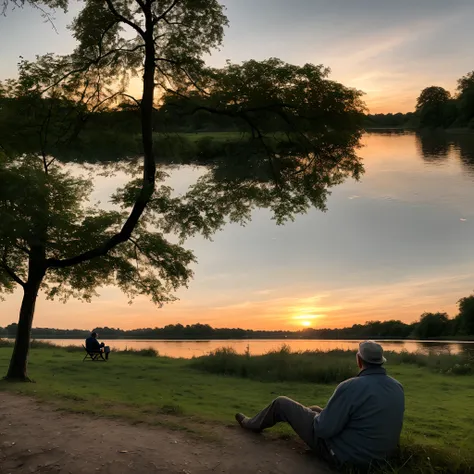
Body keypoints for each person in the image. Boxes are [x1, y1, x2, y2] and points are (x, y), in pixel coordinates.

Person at [235, 341, 405, 467]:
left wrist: (315, 419)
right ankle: (298, 425)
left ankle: (250, 424)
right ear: (381, 361)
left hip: (346, 457)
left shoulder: (351, 386)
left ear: (359, 360)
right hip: (380, 458)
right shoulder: (397, 386)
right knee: (315, 410)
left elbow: (323, 430)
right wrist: (315, 415)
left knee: (282, 403)